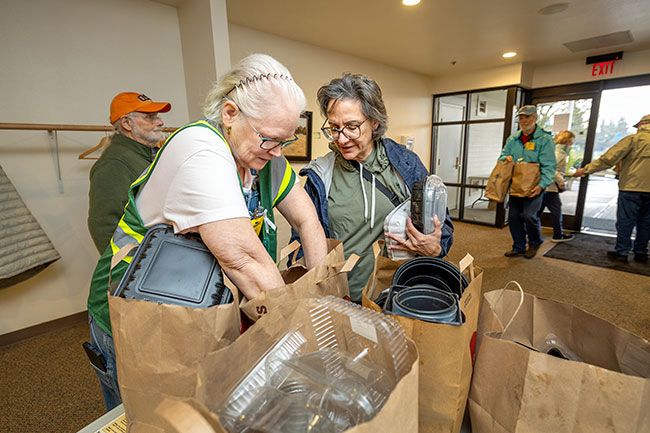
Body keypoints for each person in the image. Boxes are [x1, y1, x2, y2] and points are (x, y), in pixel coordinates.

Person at [85, 54, 328, 411]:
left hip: (195, 308)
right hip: (134, 315)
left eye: (285, 142)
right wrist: (311, 339)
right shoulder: (200, 149)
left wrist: (320, 295)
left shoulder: (263, 158)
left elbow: (308, 220)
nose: (278, 153)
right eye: (270, 139)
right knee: (149, 417)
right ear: (230, 114)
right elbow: (242, 260)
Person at [294, 73, 454, 302]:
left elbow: (443, 224)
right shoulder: (320, 176)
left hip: (396, 294)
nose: (341, 138)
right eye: (334, 128)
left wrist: (436, 248)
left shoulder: (406, 164)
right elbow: (301, 240)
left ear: (374, 121)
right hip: (340, 299)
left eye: (352, 126)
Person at [87, 92, 171, 253]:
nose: (160, 122)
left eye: (157, 116)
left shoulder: (148, 155)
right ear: (126, 123)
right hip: (143, 265)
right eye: (150, 117)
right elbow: (103, 225)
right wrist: (130, 269)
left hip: (161, 254)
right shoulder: (114, 163)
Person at [575, 114, 650, 263]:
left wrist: (586, 169)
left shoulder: (633, 140)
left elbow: (608, 159)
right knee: (646, 222)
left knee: (626, 221)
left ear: (642, 124)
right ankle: (641, 252)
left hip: (631, 187)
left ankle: (622, 252)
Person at [499, 105, 556, 259]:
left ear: (535, 118)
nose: (524, 120)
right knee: (513, 217)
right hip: (517, 185)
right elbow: (502, 157)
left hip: (535, 185)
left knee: (529, 215)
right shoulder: (513, 139)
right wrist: (506, 158)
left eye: (527, 117)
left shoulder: (544, 139)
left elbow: (549, 166)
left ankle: (535, 241)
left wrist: (541, 185)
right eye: (521, 117)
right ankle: (518, 246)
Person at [538, 130, 575, 242]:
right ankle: (558, 235)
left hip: (545, 186)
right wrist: (561, 182)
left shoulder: (556, 151)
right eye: (571, 141)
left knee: (537, 212)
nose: (572, 144)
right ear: (566, 140)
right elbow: (551, 169)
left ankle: (530, 232)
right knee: (556, 211)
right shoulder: (558, 153)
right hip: (550, 187)